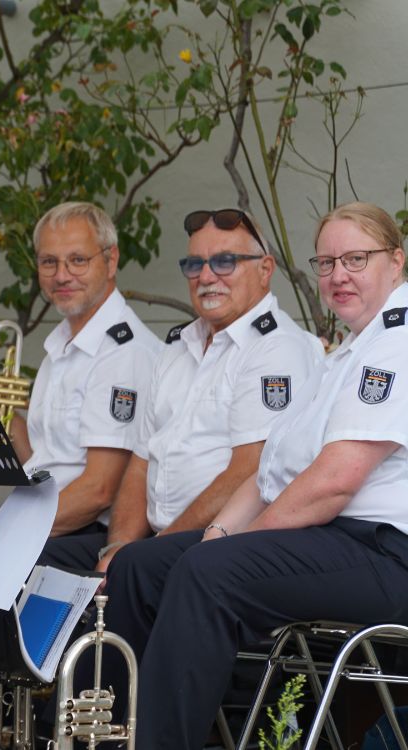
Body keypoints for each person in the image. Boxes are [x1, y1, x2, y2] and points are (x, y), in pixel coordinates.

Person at [99, 202, 408, 749]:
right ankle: (117, 736)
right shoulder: (340, 353)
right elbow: (266, 474)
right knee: (140, 567)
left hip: (383, 556)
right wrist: (217, 536)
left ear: (397, 261)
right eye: (327, 262)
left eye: (356, 259)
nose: (338, 275)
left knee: (207, 573)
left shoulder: (397, 343)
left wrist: (224, 551)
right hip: (324, 541)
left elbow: (335, 482)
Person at [89, 208, 323, 575]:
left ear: (265, 270)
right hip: (158, 539)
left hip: (224, 543)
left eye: (225, 262)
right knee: (39, 566)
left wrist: (150, 551)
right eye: (195, 264)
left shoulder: (276, 348)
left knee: (126, 576)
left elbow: (250, 472)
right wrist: (118, 547)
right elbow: (141, 464)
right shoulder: (177, 347)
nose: (207, 276)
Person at [0, 202, 161, 561]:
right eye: (49, 262)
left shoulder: (124, 353)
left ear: (111, 261)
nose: (62, 275)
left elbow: (99, 491)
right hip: (42, 512)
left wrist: (0, 535)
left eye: (78, 260)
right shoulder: (61, 345)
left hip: (85, 531)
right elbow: (42, 460)